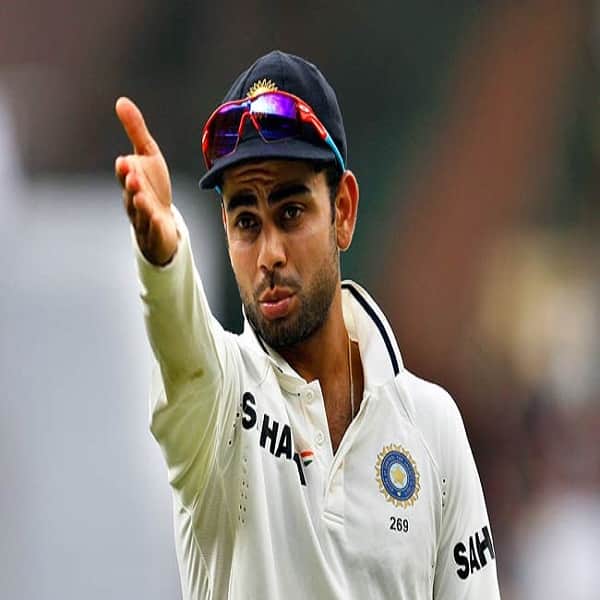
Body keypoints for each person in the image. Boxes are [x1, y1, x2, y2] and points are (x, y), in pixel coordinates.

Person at [114, 50, 501, 600]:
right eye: (246, 222)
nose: (269, 254)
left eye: (291, 213)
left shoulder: (433, 427)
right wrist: (164, 260)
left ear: (343, 210)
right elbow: (183, 349)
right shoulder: (220, 403)